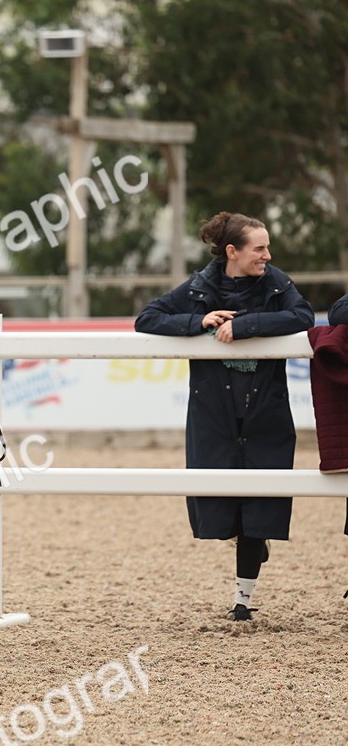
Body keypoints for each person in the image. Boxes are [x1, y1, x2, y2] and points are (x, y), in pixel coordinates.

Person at [135, 212, 314, 621]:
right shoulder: (200, 287)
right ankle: (246, 540)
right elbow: (148, 318)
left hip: (265, 413)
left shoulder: (276, 283)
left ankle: (243, 602)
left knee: (260, 506)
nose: (268, 255)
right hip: (213, 415)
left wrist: (247, 326)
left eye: (267, 247)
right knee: (216, 505)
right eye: (260, 248)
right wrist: (199, 320)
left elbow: (303, 317)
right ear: (232, 252)